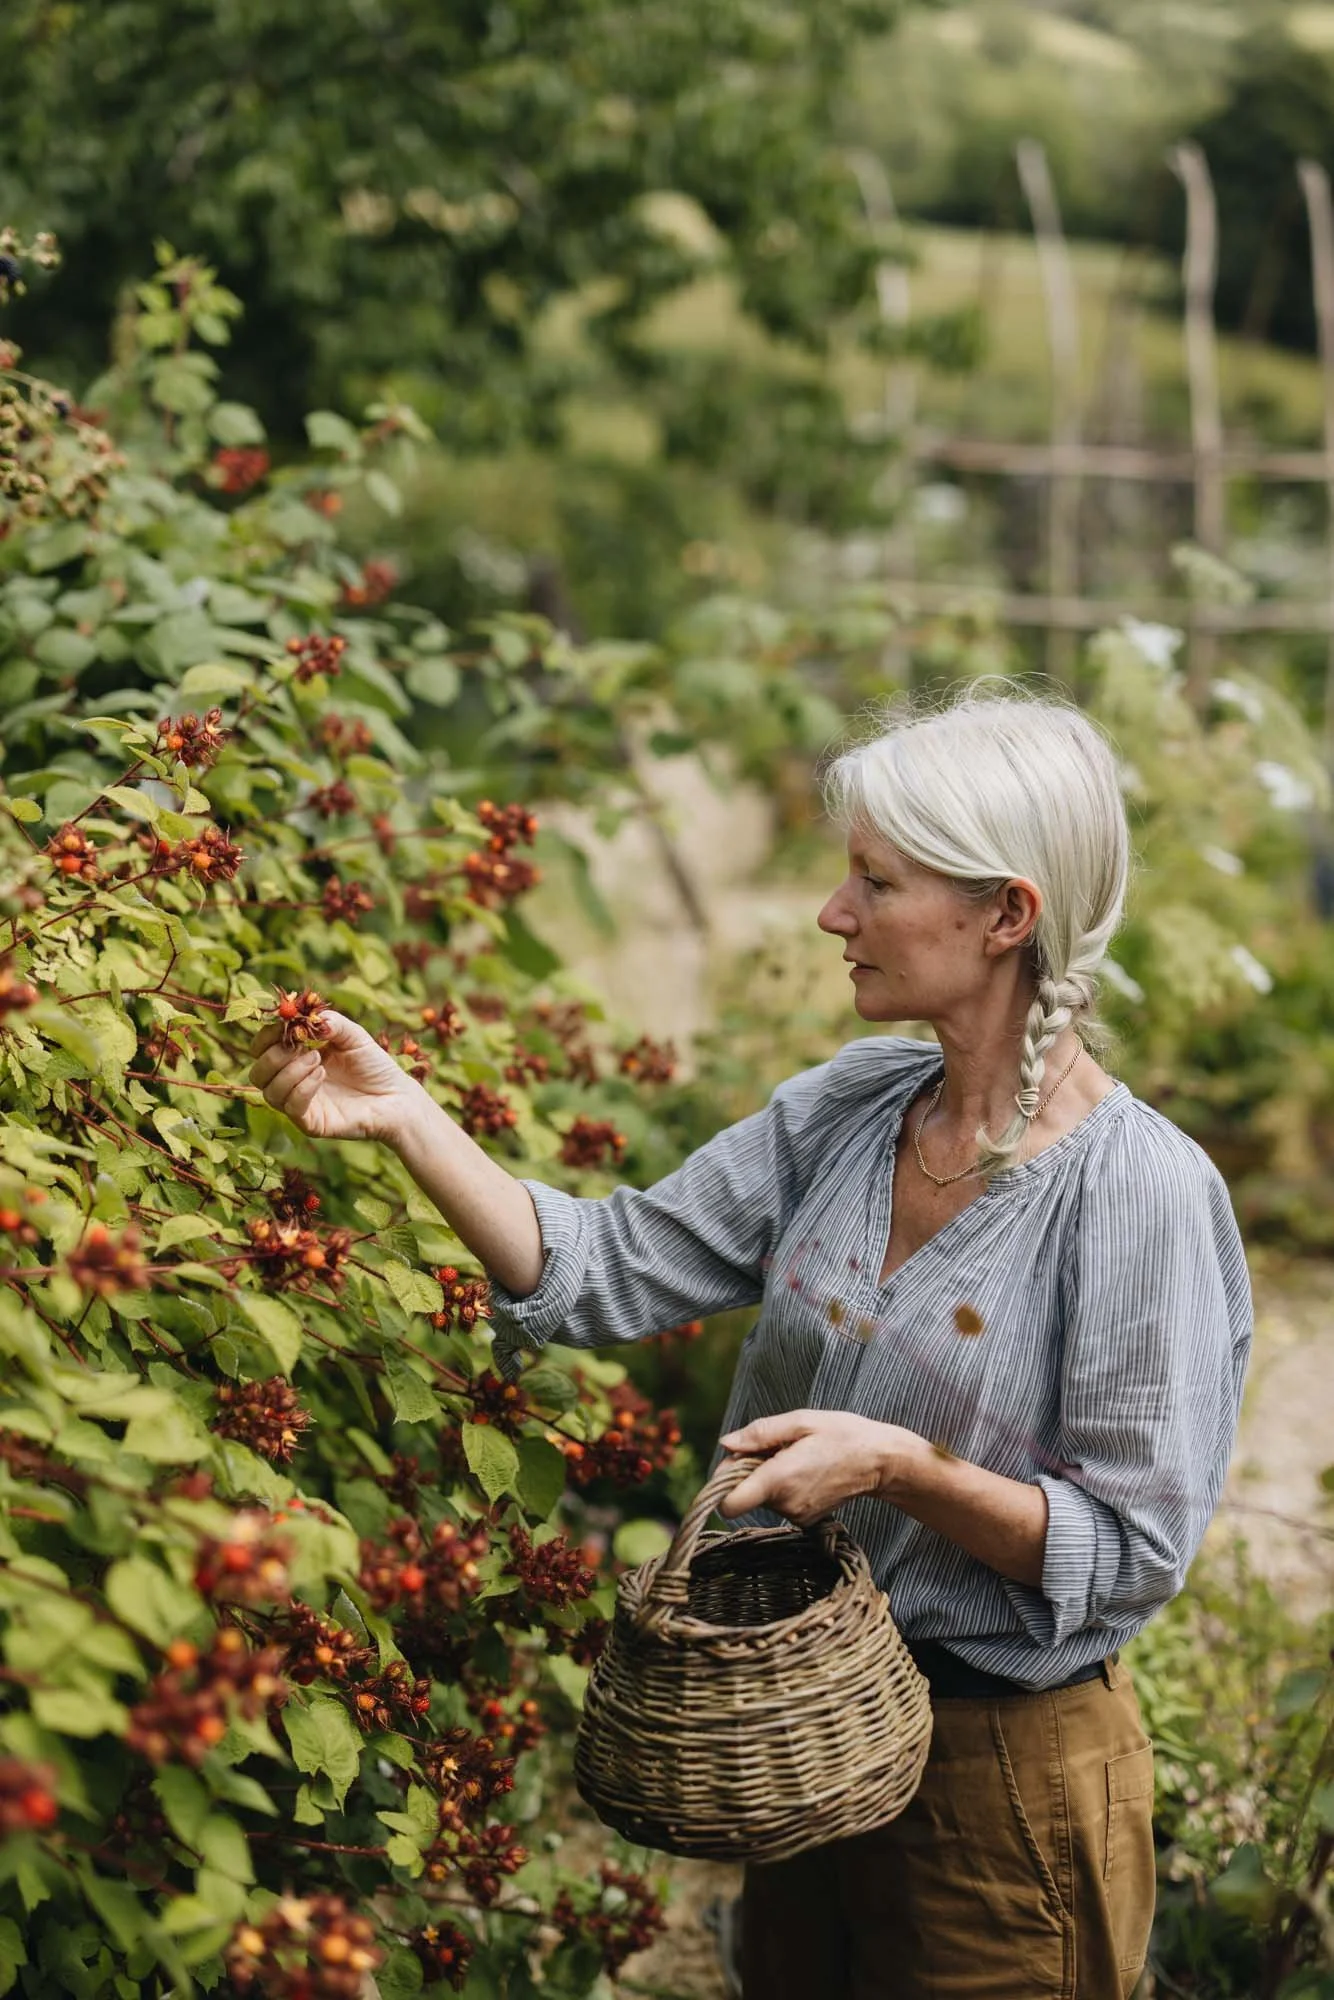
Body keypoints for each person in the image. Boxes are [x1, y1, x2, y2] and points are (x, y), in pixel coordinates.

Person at [248, 684, 1253, 2000]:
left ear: (1005, 914)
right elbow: (603, 1267)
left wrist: (898, 1466)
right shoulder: (848, 1108)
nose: (834, 916)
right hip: (799, 1745)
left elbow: (1124, 1549)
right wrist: (405, 1119)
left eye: (874, 885)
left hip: (1002, 1790)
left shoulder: (1137, 1194)